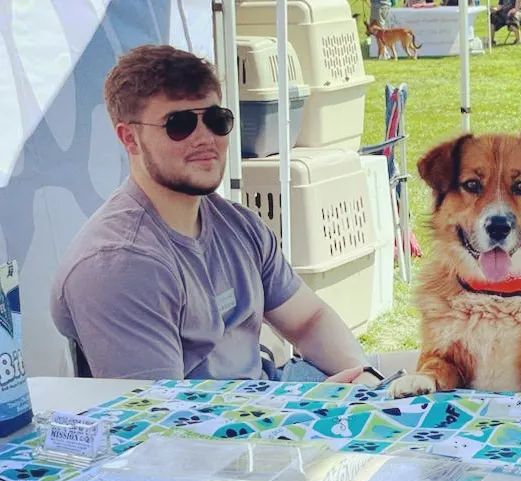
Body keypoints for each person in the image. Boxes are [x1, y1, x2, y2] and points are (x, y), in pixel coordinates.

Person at [50, 45, 376, 384]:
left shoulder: (237, 224)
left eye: (217, 120)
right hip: (211, 428)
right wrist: (310, 409)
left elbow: (309, 319)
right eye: (180, 124)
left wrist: (363, 376)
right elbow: (162, 418)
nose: (206, 138)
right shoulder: (120, 265)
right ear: (129, 138)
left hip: (269, 399)